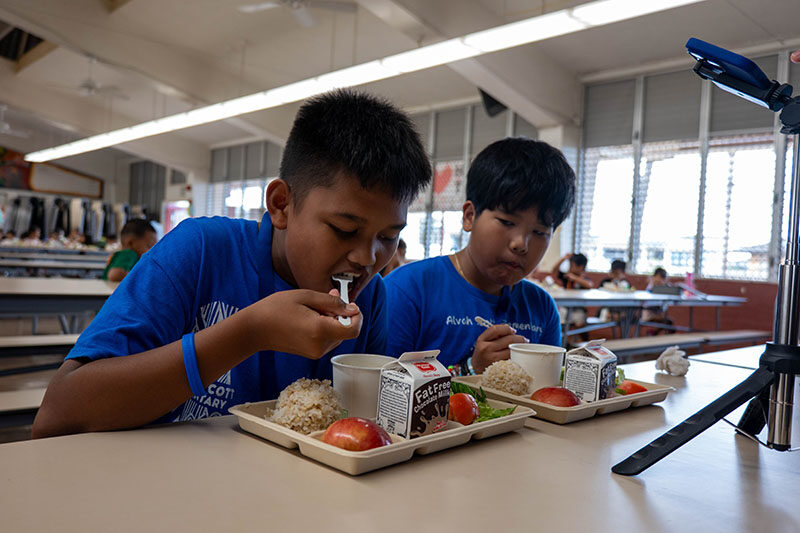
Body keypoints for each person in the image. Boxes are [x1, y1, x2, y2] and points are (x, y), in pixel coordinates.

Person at [32, 89, 431, 438]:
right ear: (281, 205)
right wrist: (247, 334)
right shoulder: (201, 251)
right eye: (344, 230)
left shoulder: (371, 299)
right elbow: (57, 417)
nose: (367, 258)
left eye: (387, 237)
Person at [384, 137, 575, 374]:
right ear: (469, 216)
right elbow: (384, 387)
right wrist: (471, 370)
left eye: (539, 232)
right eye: (507, 222)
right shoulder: (407, 291)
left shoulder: (541, 308)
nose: (520, 244)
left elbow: (547, 391)